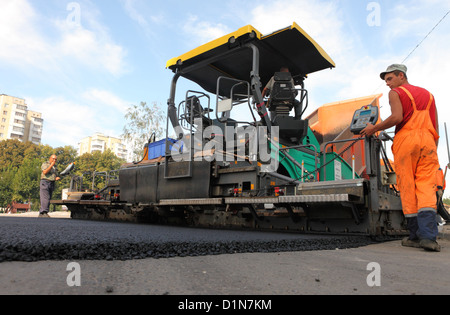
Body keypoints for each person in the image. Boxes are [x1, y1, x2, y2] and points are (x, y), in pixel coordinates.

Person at [360, 64, 441, 252]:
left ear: (401, 76)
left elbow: (397, 117)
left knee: (407, 187)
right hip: (428, 142)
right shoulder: (428, 95)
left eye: (390, 79)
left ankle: (414, 236)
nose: (387, 84)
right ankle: (429, 238)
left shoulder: (397, 92)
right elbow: (435, 126)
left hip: (407, 140)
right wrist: (432, 148)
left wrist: (374, 128)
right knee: (427, 187)